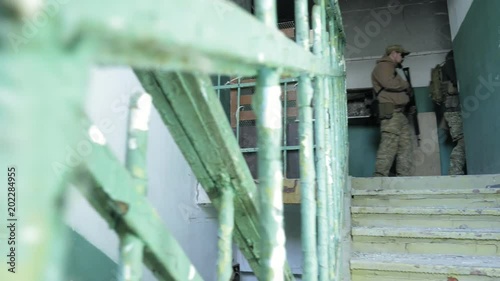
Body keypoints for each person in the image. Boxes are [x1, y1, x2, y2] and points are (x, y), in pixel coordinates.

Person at [371, 45, 414, 177]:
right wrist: (406, 85)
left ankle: (403, 178)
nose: (402, 59)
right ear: (394, 53)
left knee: (405, 147)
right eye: (402, 55)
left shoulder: (392, 69)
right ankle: (379, 179)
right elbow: (389, 83)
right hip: (391, 113)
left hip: (400, 113)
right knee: (389, 146)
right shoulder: (383, 66)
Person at [439, 51, 466, 175]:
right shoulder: (449, 64)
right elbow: (456, 81)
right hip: (453, 110)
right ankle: (454, 171)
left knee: (462, 141)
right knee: (462, 142)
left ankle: (455, 171)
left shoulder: (447, 65)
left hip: (453, 110)